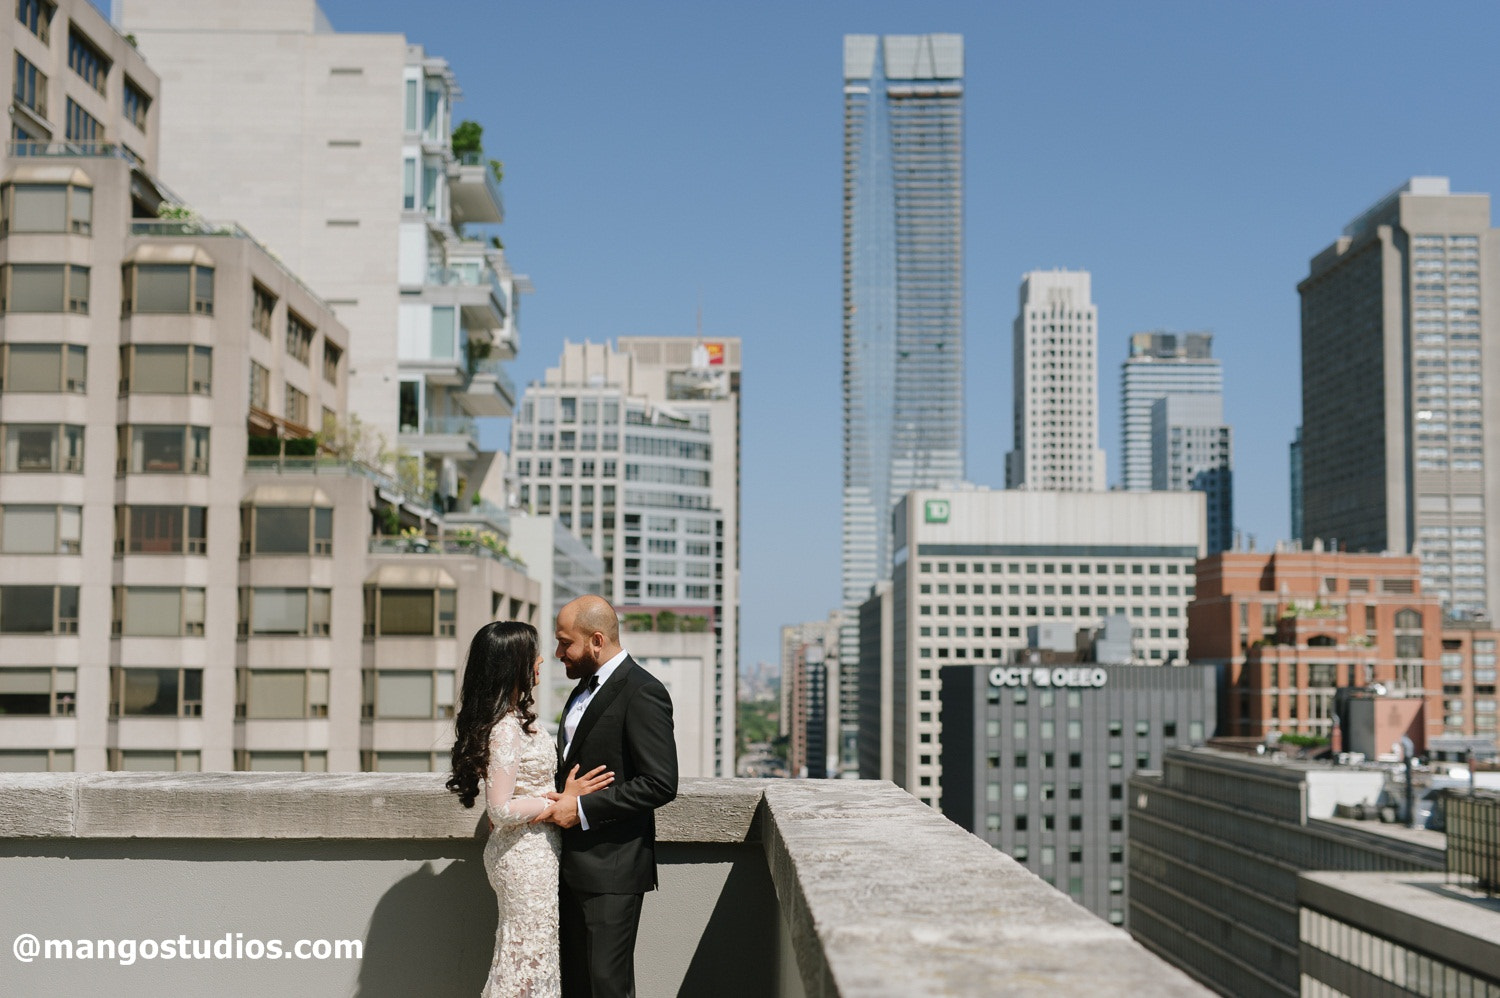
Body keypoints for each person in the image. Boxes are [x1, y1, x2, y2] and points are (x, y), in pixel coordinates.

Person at [448, 620, 614, 998]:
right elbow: (501, 808)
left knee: (530, 955)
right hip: (524, 858)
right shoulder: (506, 728)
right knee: (526, 958)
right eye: (533, 653)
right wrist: (559, 801)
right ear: (513, 664)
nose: (543, 659)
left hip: (533, 851)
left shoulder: (515, 721)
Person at [536, 595, 678, 998]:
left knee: (607, 989)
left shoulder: (643, 691)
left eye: (566, 643)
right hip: (568, 866)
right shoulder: (582, 687)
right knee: (576, 988)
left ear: (596, 640)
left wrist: (580, 808)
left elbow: (660, 783)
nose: (558, 652)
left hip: (611, 872)